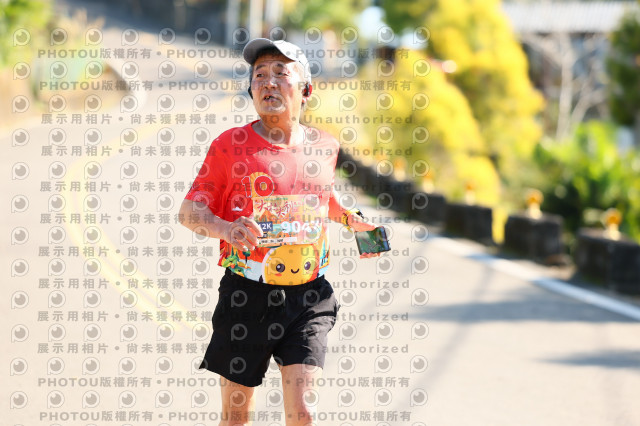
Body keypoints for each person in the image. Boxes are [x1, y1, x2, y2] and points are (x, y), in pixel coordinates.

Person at [179, 38, 379, 426]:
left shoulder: (325, 145)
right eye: (259, 75)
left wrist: (353, 220)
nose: (268, 82)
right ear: (251, 90)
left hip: (309, 296)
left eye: (280, 73)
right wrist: (226, 228)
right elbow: (190, 212)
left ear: (305, 90)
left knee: (304, 413)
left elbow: (325, 199)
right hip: (246, 295)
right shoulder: (229, 146)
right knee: (236, 417)